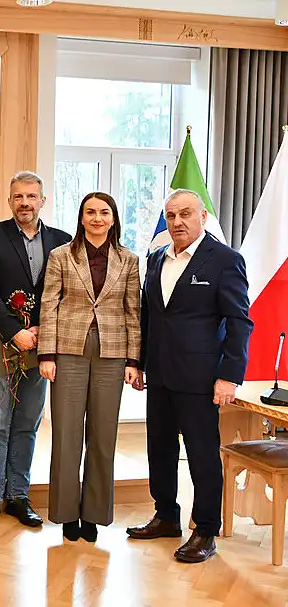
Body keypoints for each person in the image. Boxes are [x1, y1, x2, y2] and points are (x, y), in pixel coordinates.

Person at [126, 189, 253, 564]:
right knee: (159, 449)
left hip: (201, 377)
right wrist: (139, 362)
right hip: (160, 374)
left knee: (200, 454)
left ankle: (206, 529)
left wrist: (229, 375)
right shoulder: (154, 260)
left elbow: (239, 321)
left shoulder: (225, 260)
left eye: (185, 214)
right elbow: (148, 317)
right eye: (171, 216)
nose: (177, 222)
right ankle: (166, 515)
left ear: (202, 217)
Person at [37, 192, 141, 543]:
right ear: (81, 218)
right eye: (90, 212)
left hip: (112, 353)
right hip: (67, 350)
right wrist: (46, 355)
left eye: (104, 212)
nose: (97, 218)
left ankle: (94, 514)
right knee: (66, 434)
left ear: (113, 219)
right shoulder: (61, 256)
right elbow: (49, 306)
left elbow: (133, 312)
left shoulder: (128, 260)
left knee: (103, 434)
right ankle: (66, 514)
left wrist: (133, 360)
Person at [0, 170, 71, 529]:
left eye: (31, 196)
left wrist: (44, 331)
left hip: (43, 345)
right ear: (10, 201)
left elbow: (68, 294)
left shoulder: (63, 241)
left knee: (28, 422)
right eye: (18, 197)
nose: (25, 203)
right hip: (2, 341)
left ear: (43, 200)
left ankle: (19, 495)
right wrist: (14, 332)